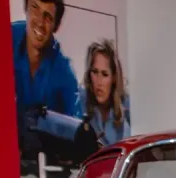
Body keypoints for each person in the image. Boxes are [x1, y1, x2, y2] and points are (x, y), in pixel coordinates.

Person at [11, 0, 81, 134]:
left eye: (48, 17)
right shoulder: (4, 38)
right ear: (26, 8)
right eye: (35, 8)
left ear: (56, 26)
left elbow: (76, 130)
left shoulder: (65, 73)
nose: (40, 22)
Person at [80, 40, 131, 147]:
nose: (99, 81)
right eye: (95, 72)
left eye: (104, 74)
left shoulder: (127, 105)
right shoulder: (80, 101)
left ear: (114, 78)